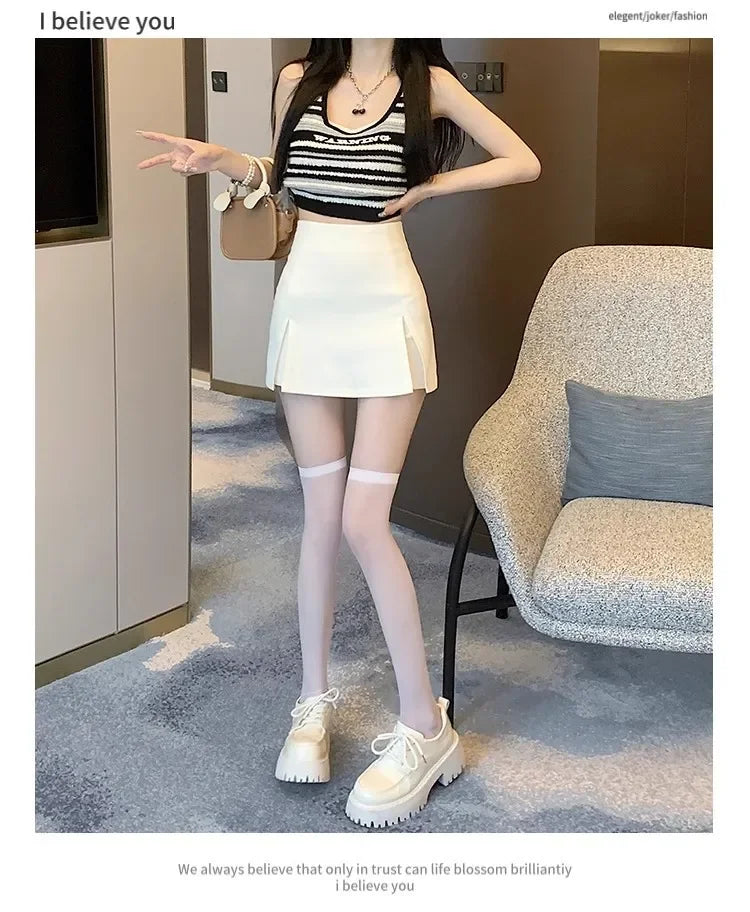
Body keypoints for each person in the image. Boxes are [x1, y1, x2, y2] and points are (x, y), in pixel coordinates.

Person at [137, 38, 541, 829]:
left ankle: (426, 726)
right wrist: (224, 160)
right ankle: (311, 701)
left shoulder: (430, 84)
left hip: (386, 306)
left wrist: (431, 187)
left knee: (362, 520)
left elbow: (522, 162)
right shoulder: (299, 78)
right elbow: (284, 182)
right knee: (321, 515)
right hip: (307, 304)